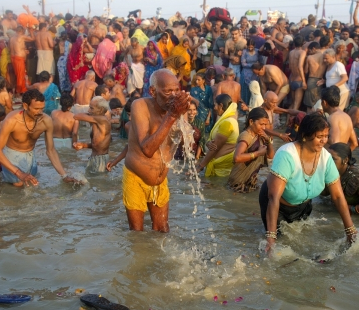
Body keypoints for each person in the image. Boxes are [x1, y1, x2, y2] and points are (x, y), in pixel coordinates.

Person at [259, 113, 357, 254]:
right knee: (280, 247)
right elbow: (273, 198)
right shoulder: (287, 155)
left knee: (300, 240)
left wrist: (350, 230)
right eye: (319, 137)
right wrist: (270, 238)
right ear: (305, 136)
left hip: (303, 205)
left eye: (326, 136)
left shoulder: (326, 158)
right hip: (277, 206)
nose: (324, 141)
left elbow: (338, 196)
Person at [121, 69, 190, 232]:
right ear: (153, 91)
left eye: (176, 90)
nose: (174, 95)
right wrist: (172, 116)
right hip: (136, 177)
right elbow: (147, 149)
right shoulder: (140, 106)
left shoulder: (179, 109)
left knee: (162, 229)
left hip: (160, 180)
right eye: (168, 91)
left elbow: (182, 147)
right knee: (137, 233)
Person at [0, 89, 78, 186]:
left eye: (42, 108)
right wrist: (19, 173)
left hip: (31, 156)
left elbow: (51, 151)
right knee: (18, 185)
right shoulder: (12, 120)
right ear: (25, 106)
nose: (40, 112)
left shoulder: (46, 121)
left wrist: (64, 176)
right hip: (11, 155)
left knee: (32, 186)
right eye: (36, 109)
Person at [227, 107, 274, 193]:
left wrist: (268, 140)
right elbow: (237, 157)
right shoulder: (246, 136)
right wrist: (258, 153)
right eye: (261, 124)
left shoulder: (259, 135)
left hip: (250, 182)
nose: (264, 128)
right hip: (238, 184)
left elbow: (270, 156)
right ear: (251, 122)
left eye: (265, 125)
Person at [197, 94, 239, 177]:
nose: (214, 108)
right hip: (221, 166)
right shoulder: (228, 120)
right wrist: (208, 143)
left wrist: (201, 166)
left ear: (221, 105)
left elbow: (215, 148)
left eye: (215, 105)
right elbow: (213, 142)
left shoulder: (227, 123)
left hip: (221, 168)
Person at [73, 97, 112, 173]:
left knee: (97, 182)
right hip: (95, 158)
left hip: (100, 159)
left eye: (91, 108)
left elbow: (76, 116)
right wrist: (83, 145)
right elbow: (97, 144)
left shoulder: (102, 119)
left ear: (100, 110)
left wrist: (89, 114)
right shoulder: (96, 120)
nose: (88, 110)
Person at [10, 26, 35, 95]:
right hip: (19, 59)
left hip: (13, 58)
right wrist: (31, 31)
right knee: (20, 76)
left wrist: (24, 50)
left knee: (19, 75)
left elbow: (13, 49)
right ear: (22, 31)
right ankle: (18, 92)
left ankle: (22, 90)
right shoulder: (21, 37)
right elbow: (33, 39)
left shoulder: (12, 38)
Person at [288, 36, 307, 111]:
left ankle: (286, 122)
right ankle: (291, 122)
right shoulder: (302, 52)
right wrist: (304, 81)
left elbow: (290, 66)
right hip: (299, 80)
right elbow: (300, 66)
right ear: (303, 43)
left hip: (292, 79)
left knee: (292, 103)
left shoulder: (291, 52)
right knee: (296, 105)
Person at [240, 39, 260, 105]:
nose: (250, 48)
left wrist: (257, 66)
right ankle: (244, 105)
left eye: (252, 47)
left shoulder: (257, 51)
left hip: (255, 72)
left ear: (254, 46)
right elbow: (243, 63)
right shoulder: (245, 51)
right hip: (246, 71)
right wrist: (253, 65)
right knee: (245, 89)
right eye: (249, 47)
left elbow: (260, 61)